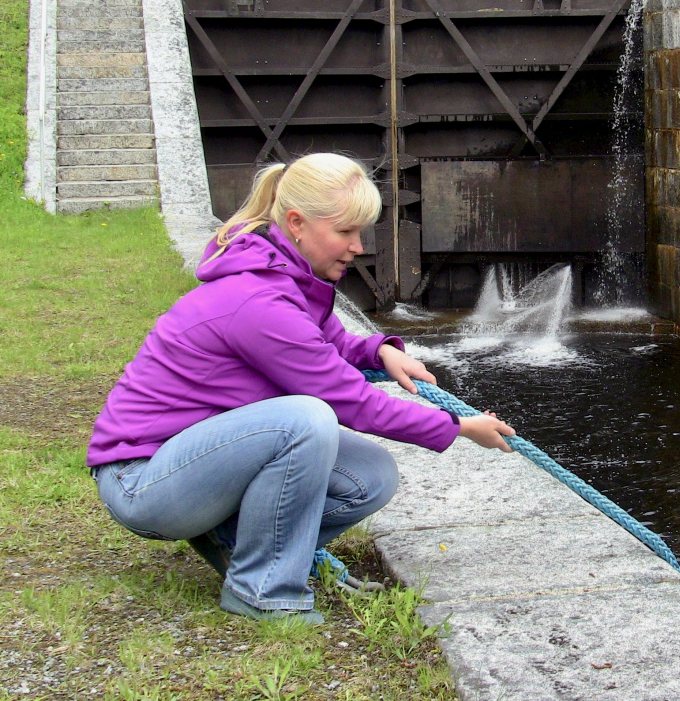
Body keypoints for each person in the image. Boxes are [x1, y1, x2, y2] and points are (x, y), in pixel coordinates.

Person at [86, 153, 516, 624]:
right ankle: (262, 590)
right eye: (345, 232)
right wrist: (458, 427)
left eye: (361, 232)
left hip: (195, 460)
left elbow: (328, 341)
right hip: (143, 481)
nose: (358, 247)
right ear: (296, 223)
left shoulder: (284, 277)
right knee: (307, 419)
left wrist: (379, 351)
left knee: (371, 475)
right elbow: (347, 400)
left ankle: (236, 540)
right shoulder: (260, 300)